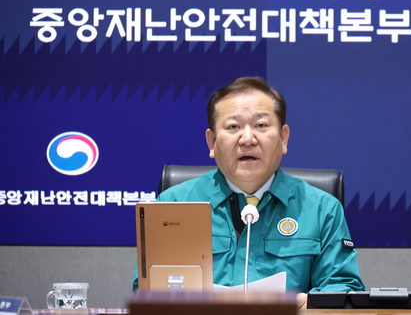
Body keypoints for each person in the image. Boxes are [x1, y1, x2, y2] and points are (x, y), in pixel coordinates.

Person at [133, 76, 365, 307]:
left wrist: (312, 304)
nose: (247, 139)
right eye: (233, 127)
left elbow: (344, 288)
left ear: (283, 138)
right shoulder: (174, 204)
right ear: (212, 142)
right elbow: (146, 291)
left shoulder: (321, 209)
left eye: (261, 125)